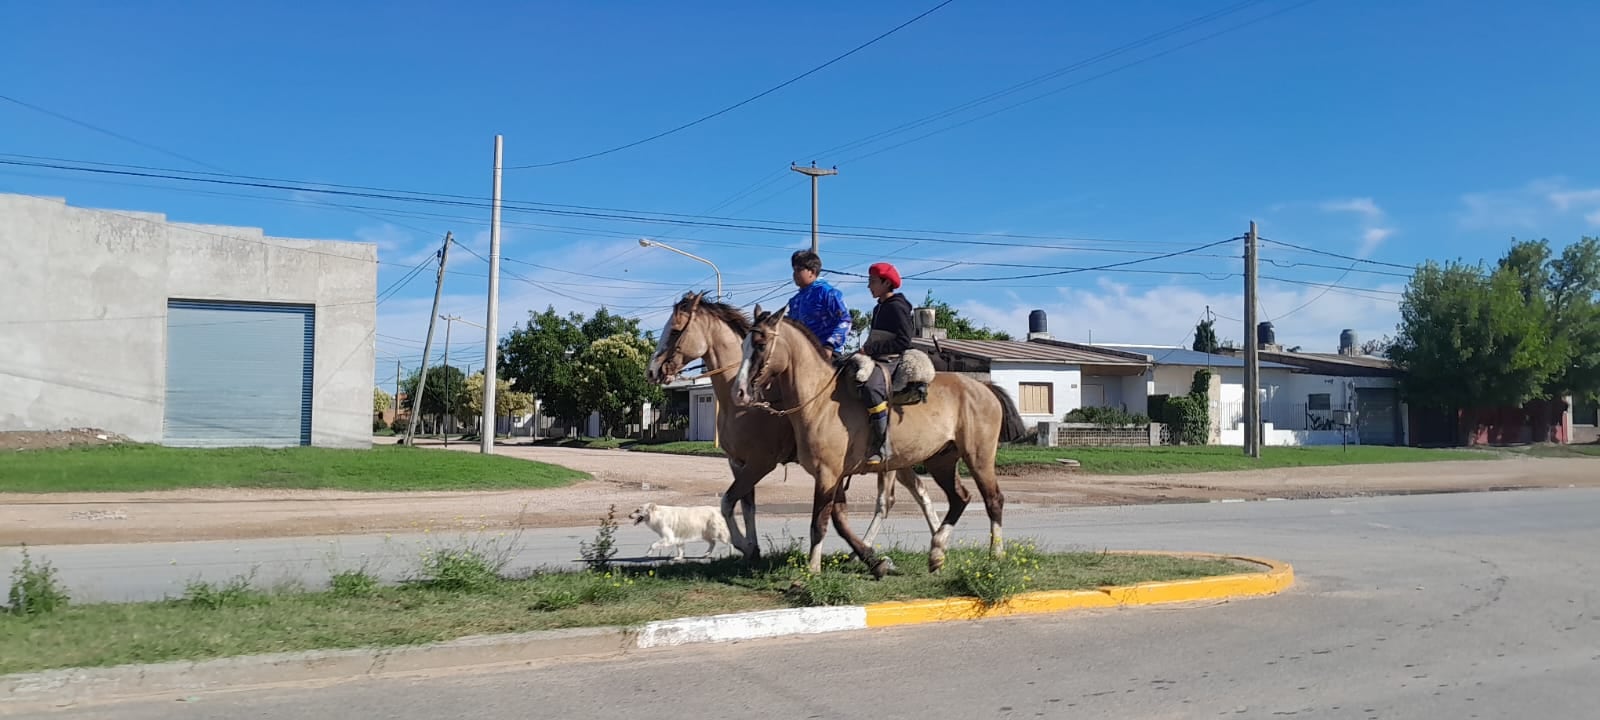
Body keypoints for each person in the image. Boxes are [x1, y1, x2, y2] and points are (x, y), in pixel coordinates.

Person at [858, 261, 917, 467]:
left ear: (886, 283)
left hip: (891, 360)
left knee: (871, 387)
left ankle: (883, 443)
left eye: (873, 281)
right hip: (875, 357)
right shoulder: (878, 308)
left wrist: (872, 349)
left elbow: (904, 341)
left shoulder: (897, 307)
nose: (869, 286)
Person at [785, 250, 852, 359]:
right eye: (793, 270)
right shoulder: (795, 301)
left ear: (812, 271)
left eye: (798, 270)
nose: (794, 274)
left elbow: (845, 321)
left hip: (826, 354)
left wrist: (830, 346)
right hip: (802, 354)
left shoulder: (828, 293)